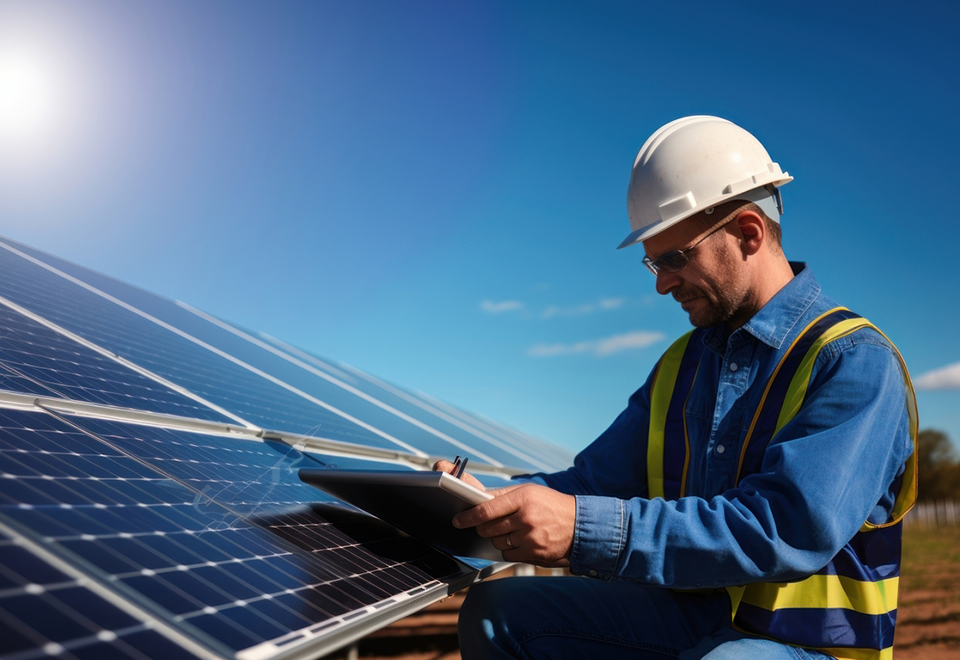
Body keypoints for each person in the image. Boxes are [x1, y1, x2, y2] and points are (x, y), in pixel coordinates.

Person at [436, 116, 918, 660]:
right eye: (652, 263)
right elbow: (593, 481)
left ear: (748, 233)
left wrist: (586, 532)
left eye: (673, 259)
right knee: (503, 614)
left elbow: (785, 527)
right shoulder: (680, 364)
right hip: (692, 617)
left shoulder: (852, 359)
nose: (662, 283)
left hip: (808, 646)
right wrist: (477, 502)